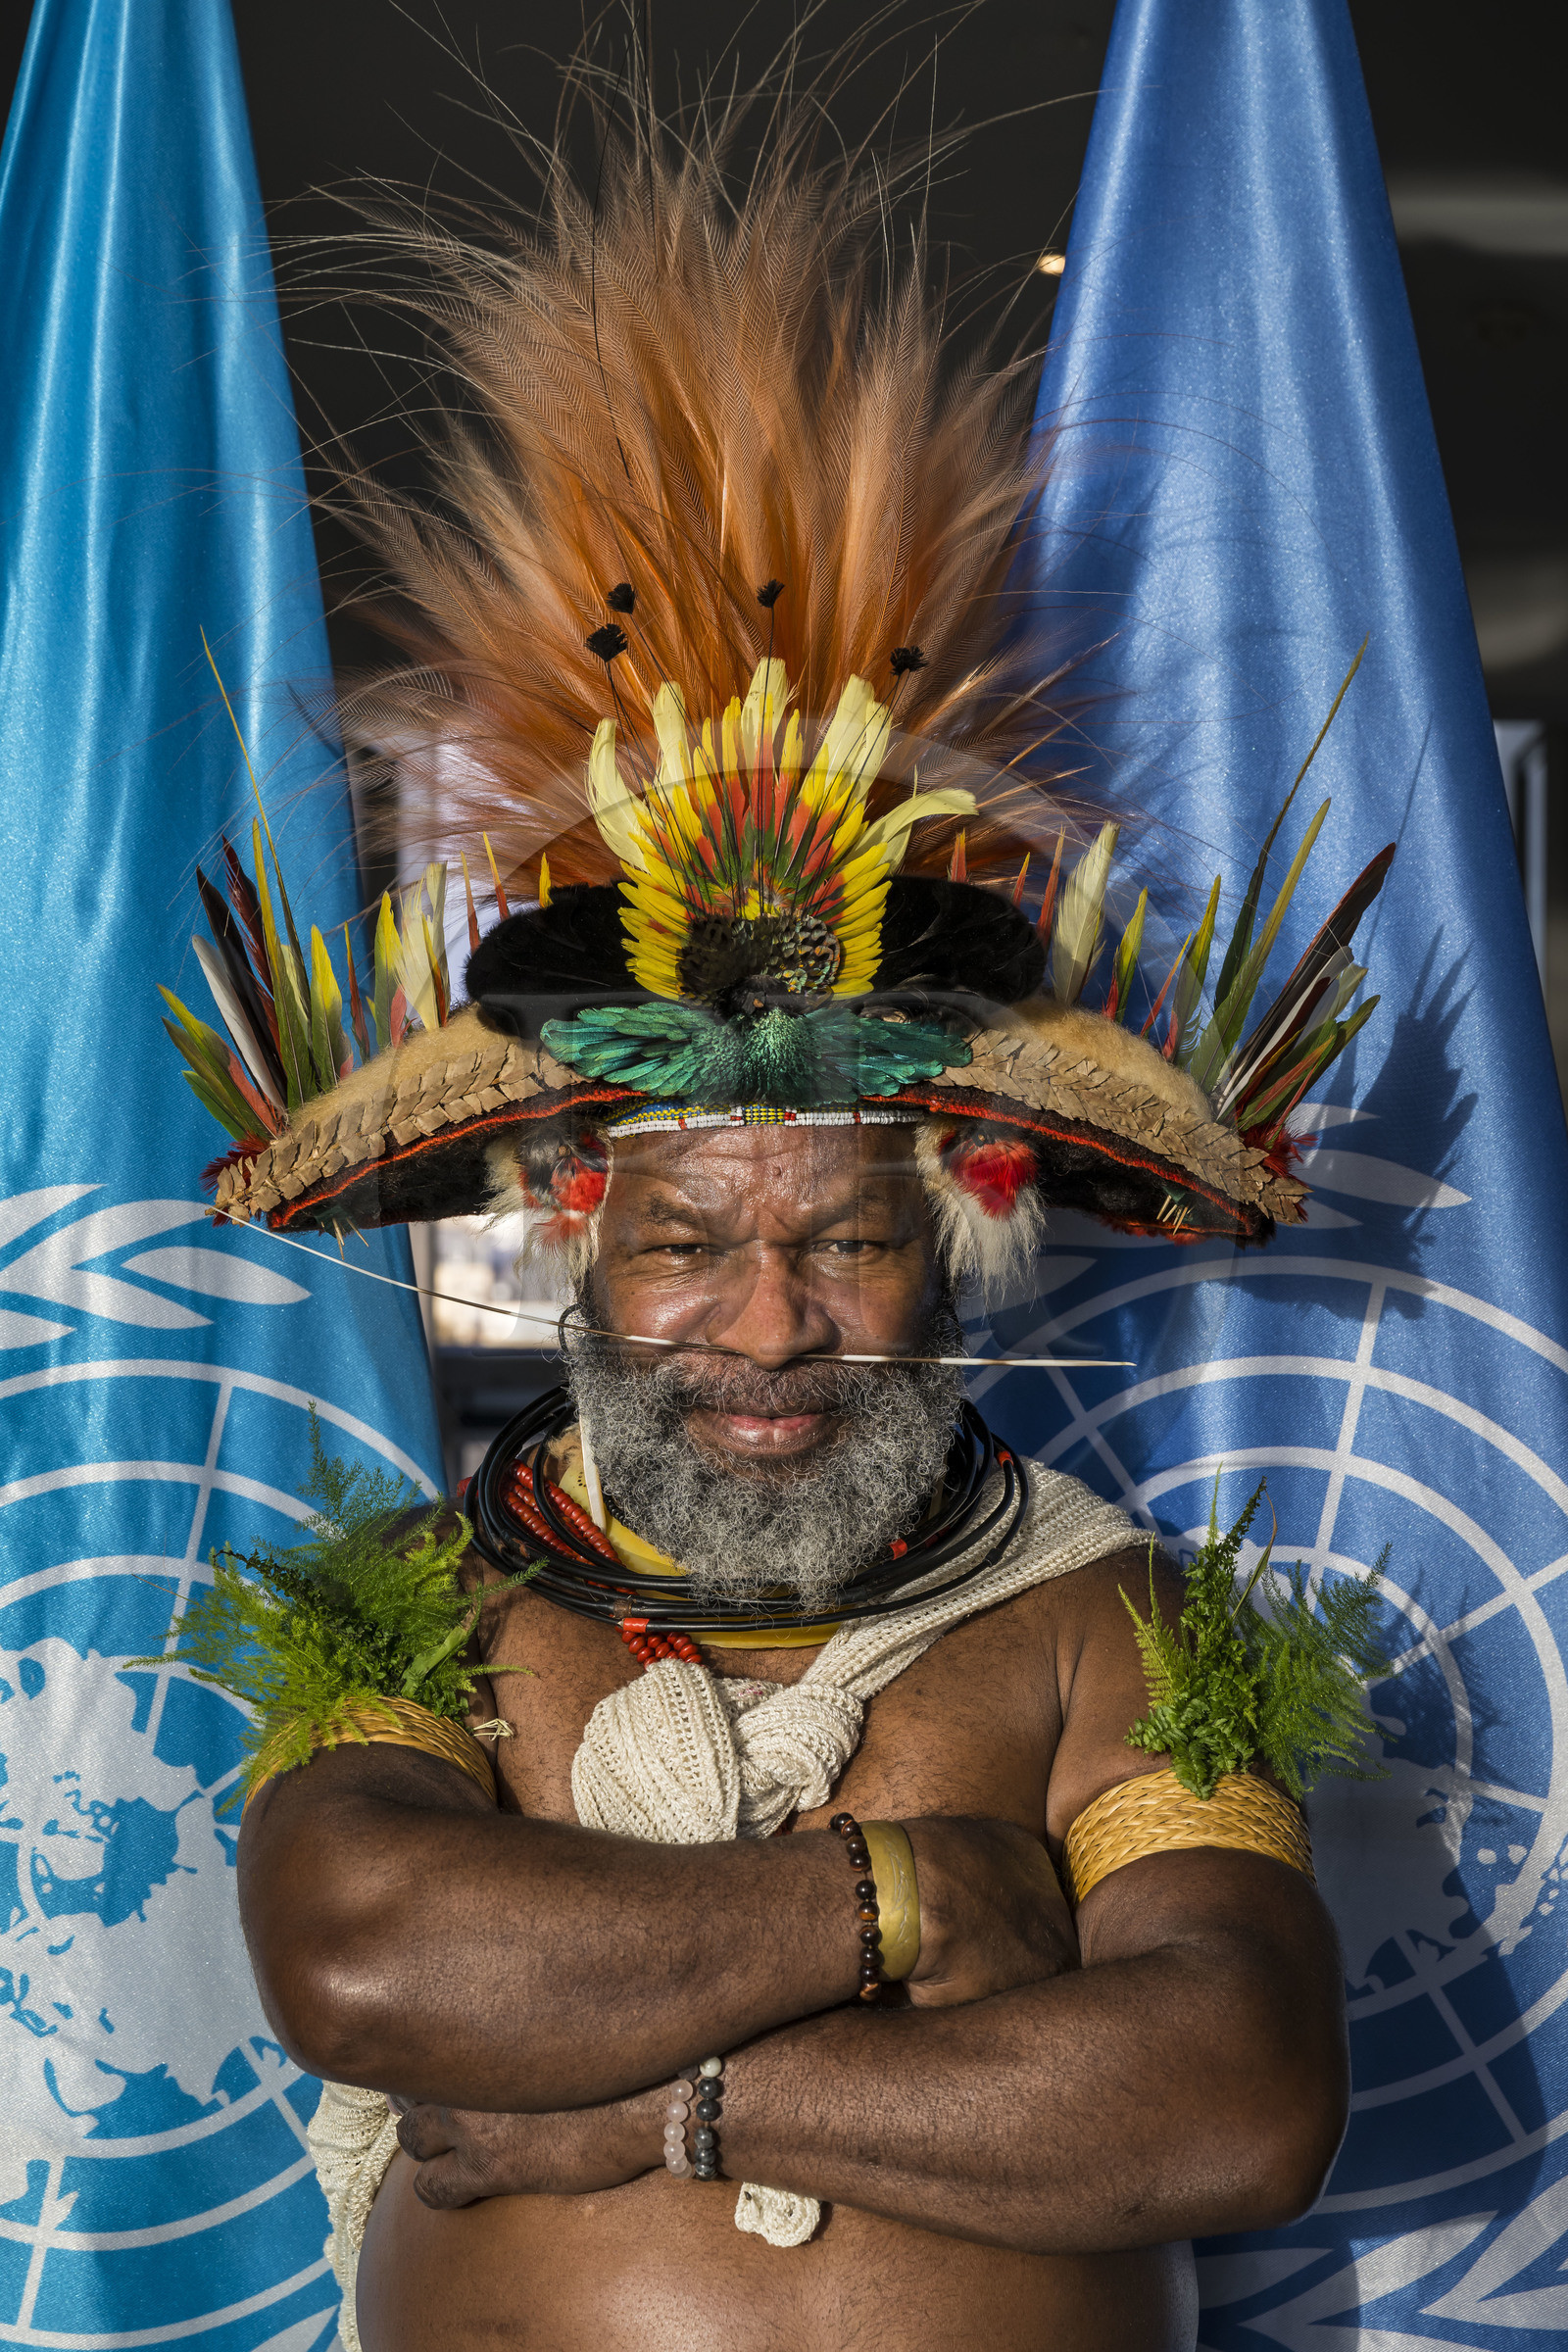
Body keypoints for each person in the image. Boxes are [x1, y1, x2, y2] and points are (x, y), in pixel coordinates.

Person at [164, 64, 1393, 2352]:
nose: (764, 1327)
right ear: (575, 1254)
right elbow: (372, 1958)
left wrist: (657, 2097)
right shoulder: (415, 1610)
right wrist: (919, 1895)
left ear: (954, 1253)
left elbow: (1223, 2098)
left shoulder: (1111, 1625)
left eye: (841, 1241)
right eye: (687, 1244)